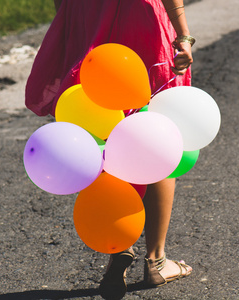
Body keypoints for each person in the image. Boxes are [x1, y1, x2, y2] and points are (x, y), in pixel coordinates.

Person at [25, 0, 194, 298]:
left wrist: (71, 20)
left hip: (84, 13)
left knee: (96, 127)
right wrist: (183, 35)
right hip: (139, 15)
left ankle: (120, 246)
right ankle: (157, 260)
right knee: (154, 128)